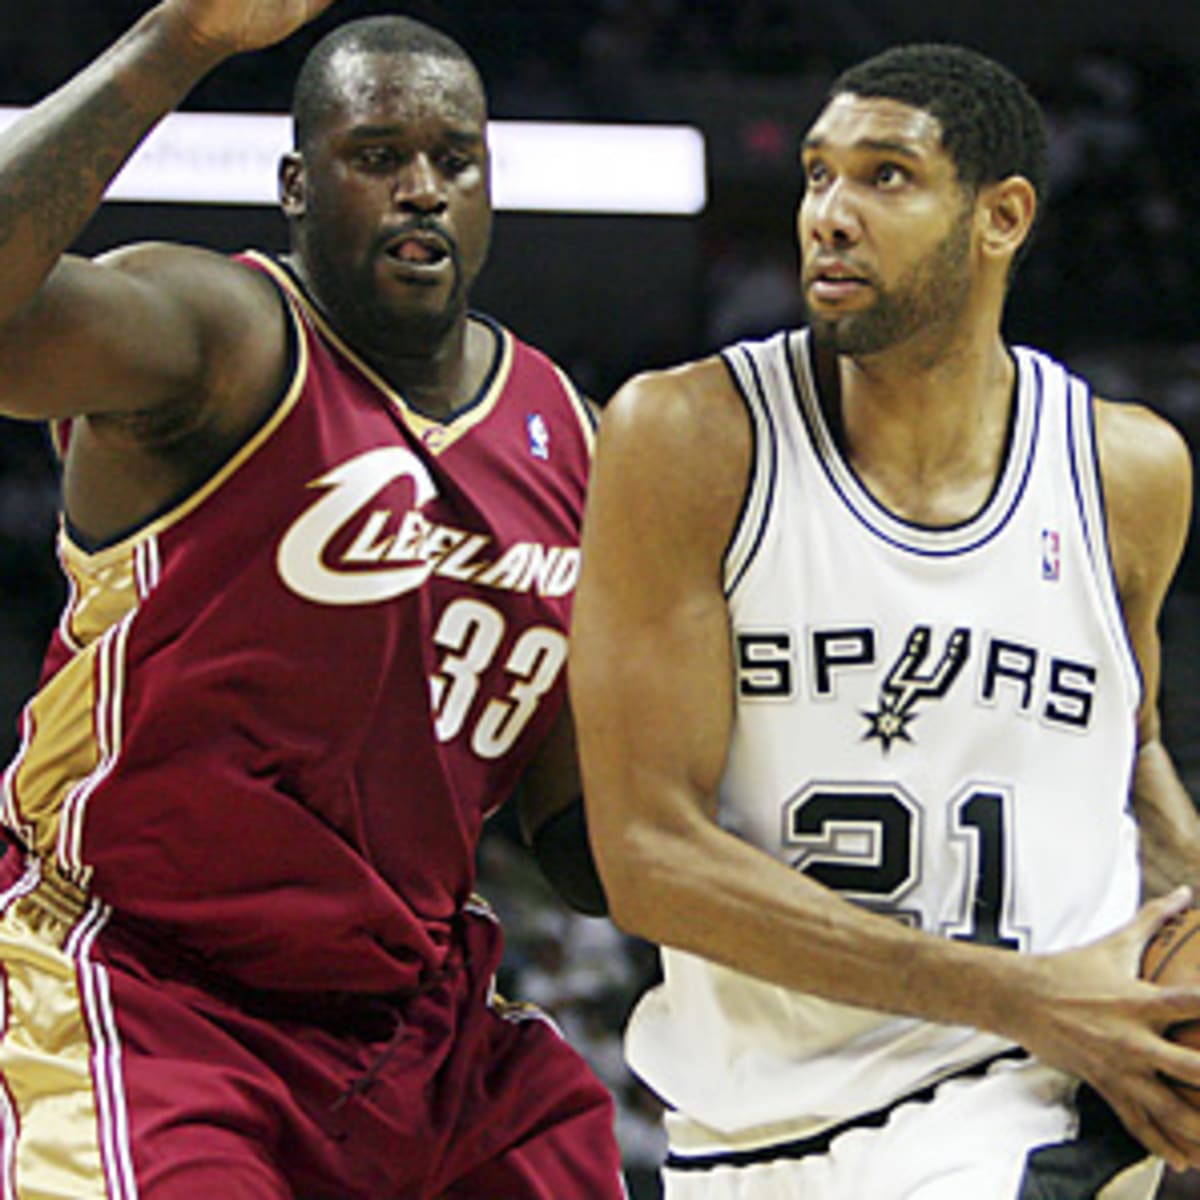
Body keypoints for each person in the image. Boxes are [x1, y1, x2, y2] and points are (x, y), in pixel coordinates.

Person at [0, 2, 626, 1197]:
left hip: (417, 1029)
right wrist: (174, 45)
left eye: (456, 161)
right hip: (154, 987)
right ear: (296, 184)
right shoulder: (220, 339)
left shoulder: (572, 439)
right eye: (378, 156)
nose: (425, 190)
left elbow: (582, 830)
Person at [570, 41, 1200, 1199]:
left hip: (1032, 1098)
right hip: (752, 1136)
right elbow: (647, 858)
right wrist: (1023, 993)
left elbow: (1135, 748)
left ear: (1000, 216)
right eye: (819, 175)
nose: (830, 214)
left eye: (886, 177)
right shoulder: (689, 439)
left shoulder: (1127, 470)